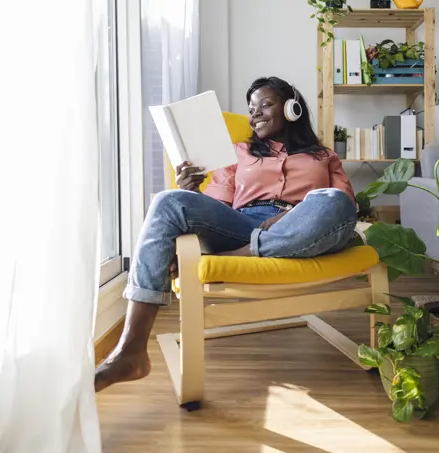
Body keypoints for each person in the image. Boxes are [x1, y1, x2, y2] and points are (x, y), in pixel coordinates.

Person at [94, 76, 357, 392]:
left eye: (265, 104)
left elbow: (345, 209)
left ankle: (231, 258)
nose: (255, 114)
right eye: (251, 108)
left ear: (291, 108)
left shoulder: (324, 156)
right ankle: (130, 351)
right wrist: (189, 191)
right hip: (242, 224)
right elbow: (216, 207)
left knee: (333, 200)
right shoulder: (239, 152)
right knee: (169, 201)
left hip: (301, 225)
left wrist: (291, 216)